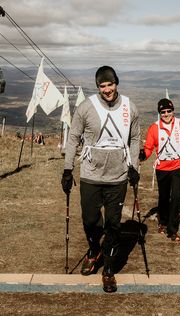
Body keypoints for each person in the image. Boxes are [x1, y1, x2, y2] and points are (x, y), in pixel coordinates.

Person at [61, 66, 140, 293]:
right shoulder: (86, 107)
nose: (107, 89)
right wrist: (68, 170)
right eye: (102, 85)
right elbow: (74, 137)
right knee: (90, 219)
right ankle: (94, 249)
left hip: (118, 176)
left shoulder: (129, 107)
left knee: (114, 224)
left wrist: (134, 166)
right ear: (98, 87)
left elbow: (135, 138)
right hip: (91, 174)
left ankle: (108, 270)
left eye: (110, 84)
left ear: (117, 83)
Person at [139, 98, 180, 242]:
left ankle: (172, 230)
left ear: (173, 111)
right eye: (163, 112)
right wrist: (144, 155)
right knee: (163, 197)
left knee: (176, 197)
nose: (166, 114)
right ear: (159, 113)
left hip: (179, 166)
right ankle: (163, 221)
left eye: (169, 111)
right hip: (162, 168)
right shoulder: (154, 128)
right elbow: (149, 147)